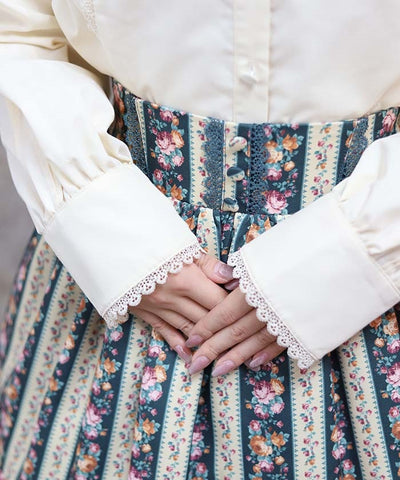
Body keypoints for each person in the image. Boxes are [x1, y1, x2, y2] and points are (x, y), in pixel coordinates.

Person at [1, 1, 400, 478]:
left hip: (375, 304)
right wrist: (110, 227)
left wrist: (362, 243)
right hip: (118, 292)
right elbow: (22, 30)